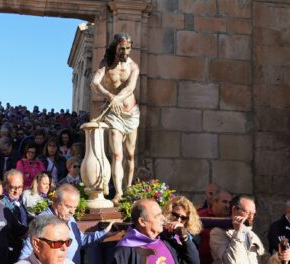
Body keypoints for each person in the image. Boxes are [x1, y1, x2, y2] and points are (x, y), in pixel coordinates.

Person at [90, 32, 140, 204]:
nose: (125, 52)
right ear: (116, 47)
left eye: (128, 48)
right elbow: (95, 83)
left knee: (131, 155)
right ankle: (118, 192)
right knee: (117, 154)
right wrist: (111, 97)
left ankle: (128, 188)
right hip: (114, 114)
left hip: (131, 112)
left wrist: (116, 98)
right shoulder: (106, 64)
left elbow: (130, 87)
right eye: (122, 48)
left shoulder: (133, 66)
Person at [19, 184, 113, 264]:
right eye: (68, 206)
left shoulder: (70, 219)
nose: (72, 212)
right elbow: (25, 255)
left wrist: (104, 233)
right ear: (55, 200)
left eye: (75, 208)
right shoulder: (43, 222)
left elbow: (80, 241)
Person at [113, 199, 200, 264]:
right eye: (157, 216)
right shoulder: (126, 249)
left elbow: (194, 262)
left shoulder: (167, 239)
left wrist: (184, 237)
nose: (163, 218)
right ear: (142, 222)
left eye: (161, 213)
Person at [210, 194, 290, 264]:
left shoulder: (251, 235)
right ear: (234, 210)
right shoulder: (217, 233)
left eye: (253, 214)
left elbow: (265, 261)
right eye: (247, 212)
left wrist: (279, 257)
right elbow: (231, 261)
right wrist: (238, 233)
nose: (251, 217)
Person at [1, 169, 30, 262]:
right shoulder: (1, 204)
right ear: (5, 185)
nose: (16, 191)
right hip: (8, 250)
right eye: (12, 187)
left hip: (20, 247)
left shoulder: (19, 201)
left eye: (20, 187)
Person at [198, 189, 232, 264]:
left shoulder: (233, 218)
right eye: (224, 202)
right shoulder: (200, 215)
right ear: (214, 202)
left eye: (230, 203)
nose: (228, 206)